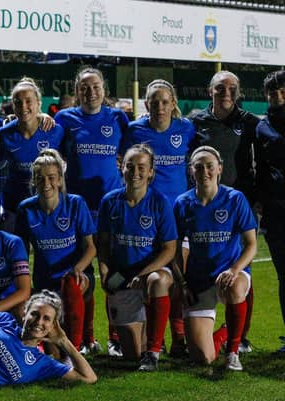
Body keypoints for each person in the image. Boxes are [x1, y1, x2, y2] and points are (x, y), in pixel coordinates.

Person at [54, 67, 130, 357]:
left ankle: (116, 337)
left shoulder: (118, 118)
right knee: (82, 274)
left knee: (113, 272)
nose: (91, 92)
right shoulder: (64, 119)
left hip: (111, 207)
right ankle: (86, 338)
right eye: (85, 87)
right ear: (77, 90)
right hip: (78, 208)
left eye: (95, 86)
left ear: (104, 89)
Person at [122, 79, 196, 357]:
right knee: (145, 275)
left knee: (177, 276)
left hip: (178, 216)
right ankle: (150, 335)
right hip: (145, 214)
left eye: (165, 101)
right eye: (154, 101)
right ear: (146, 104)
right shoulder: (133, 130)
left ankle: (177, 336)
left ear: (173, 103)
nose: (160, 106)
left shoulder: (187, 128)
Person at [189, 70, 259, 354]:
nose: (226, 92)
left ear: (239, 92)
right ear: (210, 91)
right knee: (200, 260)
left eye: (232, 88)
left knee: (242, 268)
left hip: (238, 205)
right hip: (203, 204)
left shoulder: (250, 122)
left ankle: (240, 337)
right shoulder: (195, 121)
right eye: (220, 88)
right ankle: (190, 331)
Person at [174, 146, 257, 370]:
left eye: (210, 166)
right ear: (191, 171)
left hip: (229, 274)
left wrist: (235, 269)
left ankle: (233, 351)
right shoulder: (182, 203)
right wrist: (182, 283)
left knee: (234, 287)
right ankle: (226, 330)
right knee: (202, 357)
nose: (205, 172)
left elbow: (251, 245)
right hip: (198, 281)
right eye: (199, 167)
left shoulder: (235, 199)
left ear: (219, 168)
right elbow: (174, 250)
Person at [97, 145, 178, 370]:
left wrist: (144, 273)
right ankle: (143, 340)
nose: (136, 172)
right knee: (132, 354)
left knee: (158, 281)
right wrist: (104, 272)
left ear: (151, 172)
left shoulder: (160, 202)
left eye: (142, 167)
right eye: (130, 166)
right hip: (122, 276)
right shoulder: (109, 202)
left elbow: (170, 249)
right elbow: (102, 243)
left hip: (150, 271)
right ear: (121, 167)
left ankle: (154, 352)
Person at [15, 149, 96, 352]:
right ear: (34, 181)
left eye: (51, 178)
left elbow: (91, 247)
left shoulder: (75, 203)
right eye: (40, 179)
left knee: (70, 283)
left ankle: (75, 350)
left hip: (76, 277)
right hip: (45, 282)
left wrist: (77, 269)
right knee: (52, 351)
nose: (46, 183)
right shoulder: (26, 209)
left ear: (60, 180)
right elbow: (21, 251)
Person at [0, 77, 64, 228]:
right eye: (18, 102)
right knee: (16, 249)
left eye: (28, 101)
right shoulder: (4, 133)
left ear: (38, 103)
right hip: (14, 201)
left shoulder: (55, 131)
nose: (23, 106)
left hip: (46, 202)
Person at [254, 70, 285, 353]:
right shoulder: (262, 128)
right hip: (277, 217)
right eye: (273, 92)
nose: (277, 97)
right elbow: (261, 171)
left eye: (282, 91)